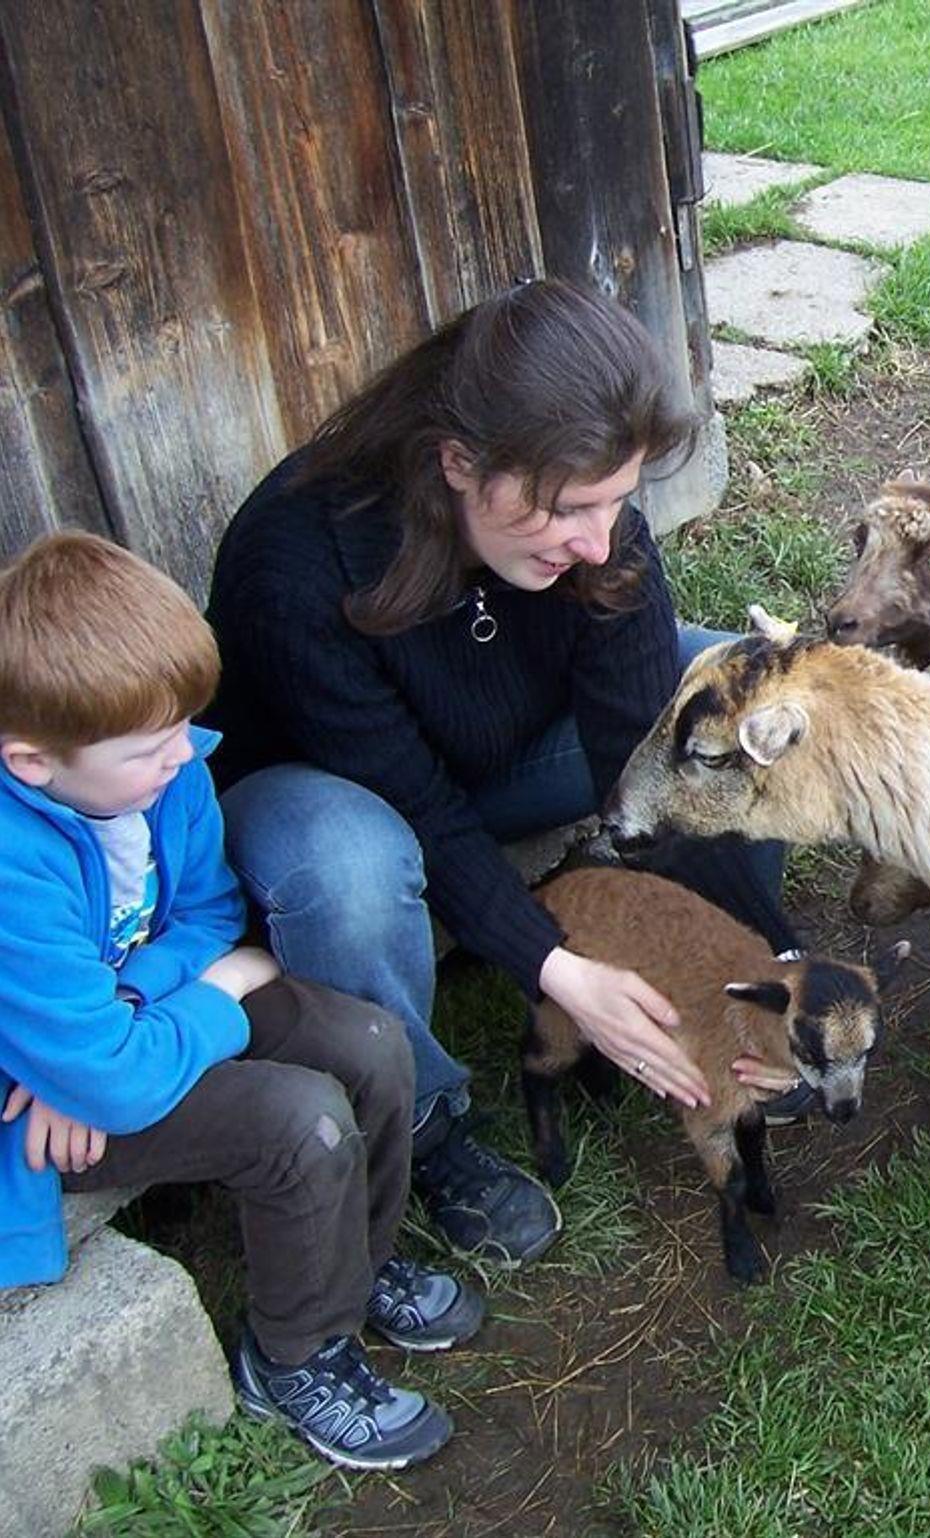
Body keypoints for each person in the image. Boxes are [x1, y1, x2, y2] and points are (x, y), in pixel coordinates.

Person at [204, 278, 804, 1267]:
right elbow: (420, 810)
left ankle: (698, 1001)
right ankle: (426, 1125)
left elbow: (645, 759)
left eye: (620, 500)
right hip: (332, 793)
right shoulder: (297, 562)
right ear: (459, 463)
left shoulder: (594, 524)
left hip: (503, 757)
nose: (600, 541)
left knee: (731, 710)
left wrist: (774, 977)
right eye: (569, 510)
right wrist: (556, 966)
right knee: (346, 863)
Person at [0, 532, 480, 1471]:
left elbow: (211, 912)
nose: (185, 756)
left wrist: (135, 997)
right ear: (32, 763)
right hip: (47, 1107)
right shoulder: (14, 868)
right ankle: (297, 1356)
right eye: (151, 748)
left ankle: (357, 1263)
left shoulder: (166, 773)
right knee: (295, 1121)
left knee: (368, 1041)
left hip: (116, 1035)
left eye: (184, 727)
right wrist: (199, 997)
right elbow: (118, 1079)